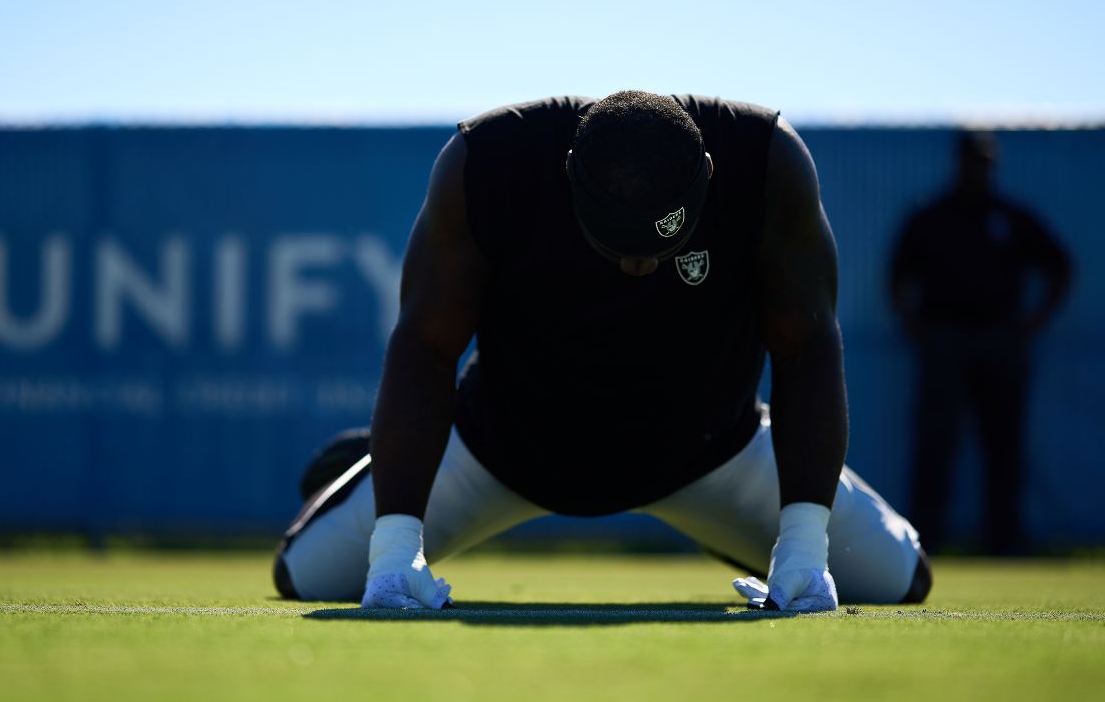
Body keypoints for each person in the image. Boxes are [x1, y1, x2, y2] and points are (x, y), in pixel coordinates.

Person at [274, 91, 931, 612]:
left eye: (660, 245)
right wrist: (395, 548)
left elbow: (808, 348)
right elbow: (423, 346)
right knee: (302, 579)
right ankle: (376, 457)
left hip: (712, 453)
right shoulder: (488, 162)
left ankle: (749, 539)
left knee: (903, 581)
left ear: (708, 176)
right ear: (568, 178)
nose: (640, 268)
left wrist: (803, 541)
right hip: (502, 451)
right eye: (618, 246)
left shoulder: (766, 163)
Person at [890, 131, 1071, 555]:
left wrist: (1033, 322)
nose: (978, 169)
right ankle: (923, 541)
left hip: (1000, 341)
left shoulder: (1011, 217)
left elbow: (1060, 266)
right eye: (972, 161)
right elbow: (897, 277)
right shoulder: (932, 216)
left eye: (985, 162)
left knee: (1003, 443)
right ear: (958, 163)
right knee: (936, 443)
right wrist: (917, 328)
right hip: (945, 341)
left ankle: (1004, 540)